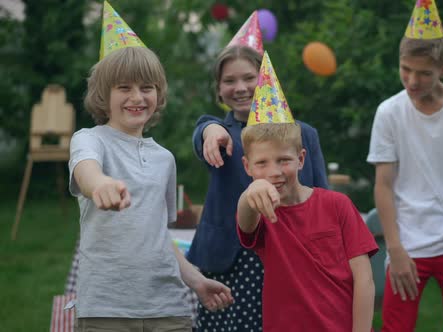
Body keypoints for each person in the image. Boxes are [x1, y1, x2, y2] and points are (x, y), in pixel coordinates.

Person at [68, 2, 233, 331]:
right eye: (124, 88)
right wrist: (100, 184)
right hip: (106, 308)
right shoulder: (90, 139)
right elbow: (86, 170)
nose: (137, 97)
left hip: (168, 308)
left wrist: (195, 279)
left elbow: (158, 236)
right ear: (104, 93)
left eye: (147, 88)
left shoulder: (164, 158)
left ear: (159, 94)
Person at [186, 17, 329, 332]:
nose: (240, 88)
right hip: (226, 261)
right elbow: (201, 135)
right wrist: (209, 131)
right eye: (229, 81)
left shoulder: (303, 134)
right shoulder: (217, 132)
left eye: (249, 77)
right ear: (218, 89)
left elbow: (323, 197)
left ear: (264, 78)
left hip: (288, 257)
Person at [366, 1, 443, 331]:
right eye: (405, 69)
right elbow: (383, 184)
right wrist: (394, 249)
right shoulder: (389, 113)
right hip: (406, 242)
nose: (412, 80)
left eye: (424, 72)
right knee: (396, 327)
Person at [236, 51, 378, 331]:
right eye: (262, 163)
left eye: (284, 160)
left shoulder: (338, 205)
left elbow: (364, 279)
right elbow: (245, 218)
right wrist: (251, 193)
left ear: (301, 159)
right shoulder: (262, 210)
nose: (274, 171)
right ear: (247, 166)